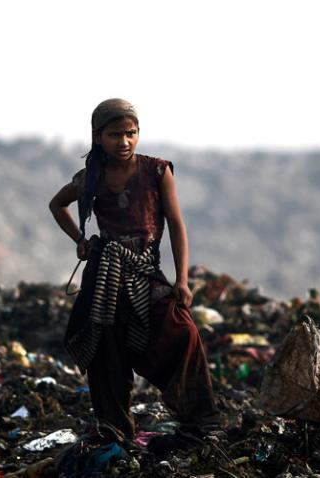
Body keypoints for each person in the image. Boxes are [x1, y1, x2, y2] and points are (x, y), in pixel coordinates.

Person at [49, 98, 218, 439]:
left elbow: (176, 224)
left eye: (131, 133)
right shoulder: (91, 178)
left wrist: (182, 280)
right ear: (98, 137)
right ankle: (115, 428)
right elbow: (57, 204)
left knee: (183, 335)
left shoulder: (157, 170)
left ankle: (200, 422)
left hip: (145, 274)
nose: (124, 141)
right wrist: (79, 241)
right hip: (105, 276)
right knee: (105, 351)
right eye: (115, 134)